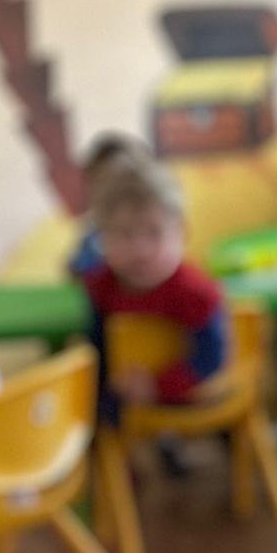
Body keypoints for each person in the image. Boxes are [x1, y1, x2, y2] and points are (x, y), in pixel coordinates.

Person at [81, 157, 227, 421]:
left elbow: (212, 359)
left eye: (153, 233)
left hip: (188, 403)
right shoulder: (100, 288)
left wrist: (158, 386)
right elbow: (95, 353)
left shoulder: (196, 293)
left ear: (181, 233)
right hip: (121, 405)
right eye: (125, 234)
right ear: (102, 239)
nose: (140, 250)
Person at [68, 130, 155, 277]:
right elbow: (78, 269)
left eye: (126, 186)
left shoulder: (155, 227)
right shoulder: (96, 231)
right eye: (102, 185)